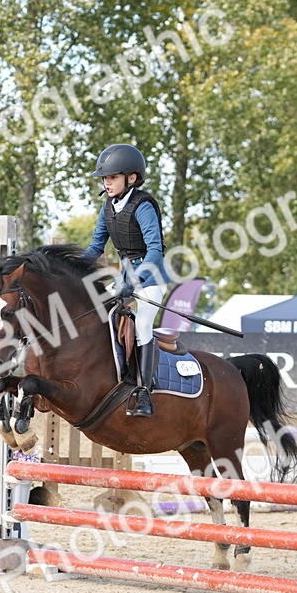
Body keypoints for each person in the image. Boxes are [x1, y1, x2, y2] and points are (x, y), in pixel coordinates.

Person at [83, 143, 171, 417]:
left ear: (131, 178)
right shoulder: (108, 207)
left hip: (150, 278)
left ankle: (144, 392)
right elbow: (96, 247)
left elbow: (155, 250)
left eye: (112, 177)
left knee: (142, 323)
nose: (107, 183)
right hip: (123, 278)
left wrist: (136, 281)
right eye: (104, 178)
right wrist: (72, 269)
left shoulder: (143, 206)